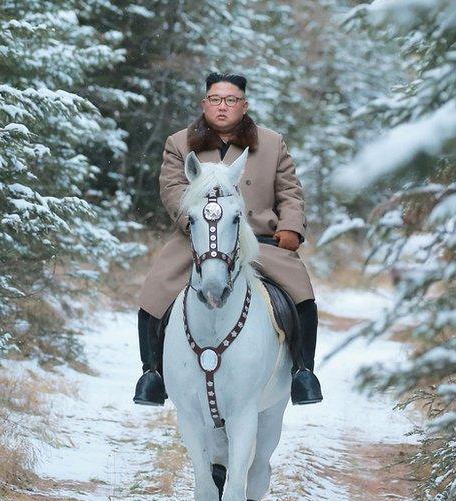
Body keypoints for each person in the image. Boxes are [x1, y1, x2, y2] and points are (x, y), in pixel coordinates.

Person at [133, 72, 323, 406]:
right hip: (198, 239)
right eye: (216, 100)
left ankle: (302, 373)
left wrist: (291, 226)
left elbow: (291, 192)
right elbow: (173, 191)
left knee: (301, 297)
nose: (223, 107)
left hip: (261, 240)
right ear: (205, 103)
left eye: (231, 100)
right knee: (154, 293)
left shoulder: (271, 143)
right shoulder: (179, 144)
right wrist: (195, 220)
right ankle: (153, 374)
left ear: (244, 105)